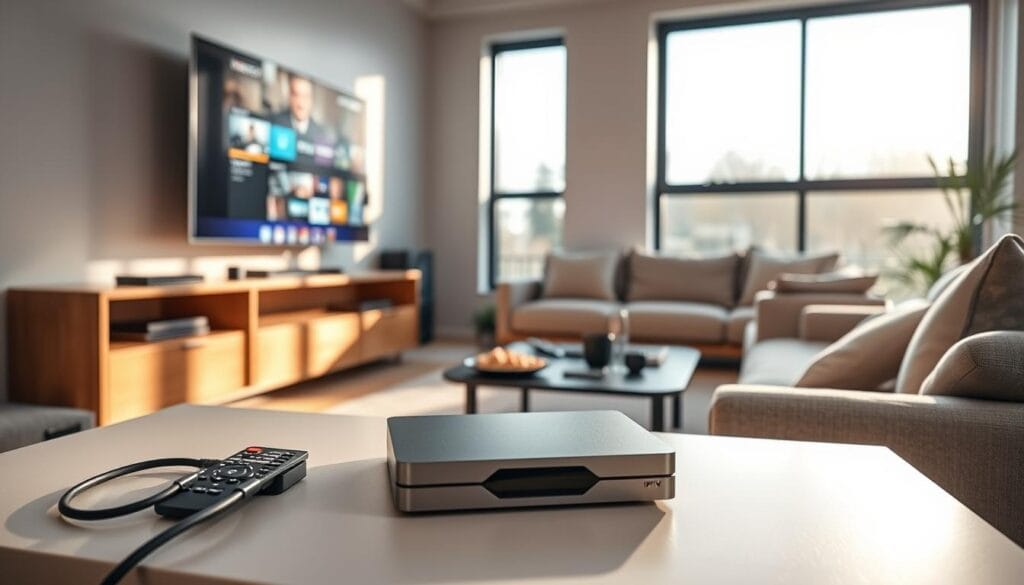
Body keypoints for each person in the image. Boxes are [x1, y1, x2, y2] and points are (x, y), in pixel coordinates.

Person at [272, 75, 331, 144]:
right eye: (296, 95)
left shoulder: (322, 134)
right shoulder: (273, 122)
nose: (301, 103)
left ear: (312, 100)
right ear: (289, 97)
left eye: (305, 96)